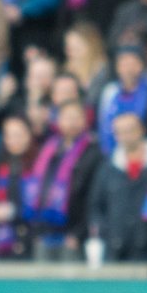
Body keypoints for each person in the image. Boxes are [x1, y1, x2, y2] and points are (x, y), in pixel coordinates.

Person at [24, 100, 101, 261]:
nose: (71, 123)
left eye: (76, 118)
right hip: (44, 233)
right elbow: (38, 189)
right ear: (58, 120)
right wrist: (37, 231)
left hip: (72, 236)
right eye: (67, 117)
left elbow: (93, 197)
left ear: (85, 120)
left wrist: (79, 234)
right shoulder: (49, 150)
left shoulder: (93, 152)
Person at [88, 112, 147, 261]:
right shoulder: (108, 168)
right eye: (120, 132)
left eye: (130, 130)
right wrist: (105, 232)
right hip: (115, 247)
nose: (126, 136)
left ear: (142, 130)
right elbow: (96, 206)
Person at [0, 113, 36, 259]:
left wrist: (15, 212)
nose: (13, 140)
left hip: (29, 235)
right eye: (8, 135)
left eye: (18, 135)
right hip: (3, 236)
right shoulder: (2, 165)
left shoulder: (39, 164)